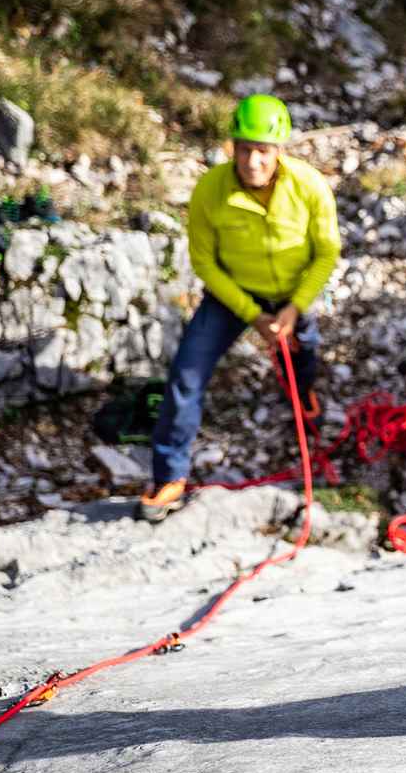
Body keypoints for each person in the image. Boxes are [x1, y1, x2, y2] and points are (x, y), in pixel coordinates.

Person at [139, 95, 341, 522]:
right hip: (234, 296)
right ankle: (168, 477)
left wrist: (293, 309)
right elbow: (204, 262)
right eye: (245, 149)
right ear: (233, 145)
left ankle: (302, 401)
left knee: (303, 360)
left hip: (292, 294)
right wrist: (253, 315)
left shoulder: (309, 187)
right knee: (185, 375)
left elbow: (327, 252)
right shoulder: (211, 190)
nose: (252, 161)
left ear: (279, 151)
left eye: (262, 151)